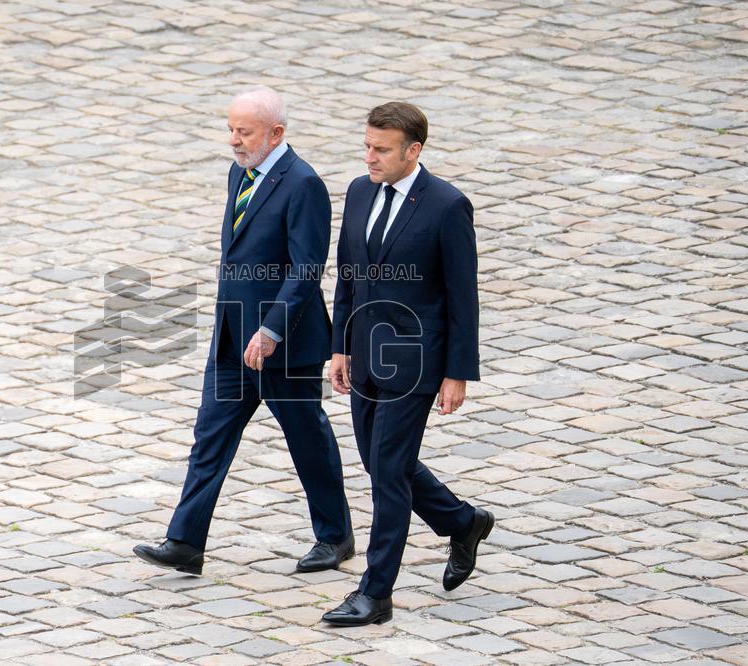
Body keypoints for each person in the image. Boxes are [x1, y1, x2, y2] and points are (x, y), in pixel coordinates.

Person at [134, 87, 353, 577]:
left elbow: (306, 268)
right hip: (233, 337)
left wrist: (272, 329)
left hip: (283, 344)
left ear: (276, 134)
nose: (233, 140)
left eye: (244, 132)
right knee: (208, 437)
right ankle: (185, 542)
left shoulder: (303, 185)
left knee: (307, 440)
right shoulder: (242, 171)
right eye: (230, 129)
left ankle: (336, 536)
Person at [322, 101, 495, 627]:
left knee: (389, 475)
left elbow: (462, 297)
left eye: (381, 149)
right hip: (365, 356)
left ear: (413, 150)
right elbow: (350, 274)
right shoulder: (357, 191)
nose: (369, 156)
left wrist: (457, 372)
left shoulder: (446, 206)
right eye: (367, 146)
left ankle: (376, 594)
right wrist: (339, 346)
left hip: (417, 364)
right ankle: (463, 522)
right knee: (381, 464)